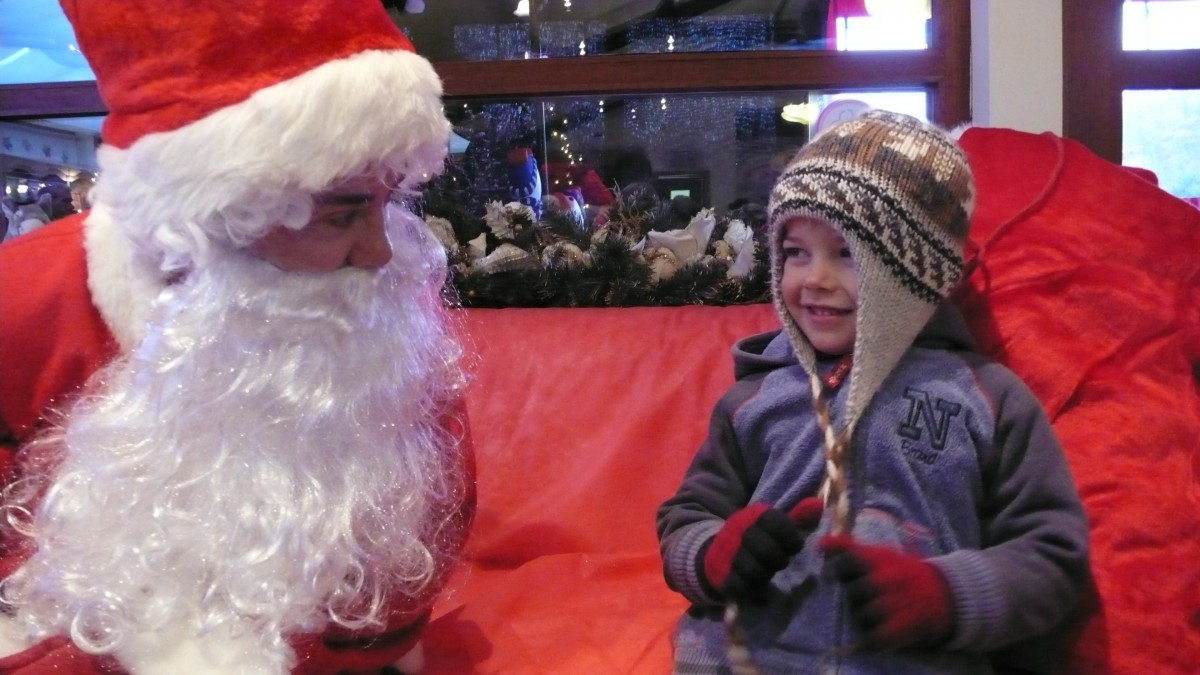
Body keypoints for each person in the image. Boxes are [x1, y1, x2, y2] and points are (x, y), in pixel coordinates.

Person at [0, 1, 474, 673]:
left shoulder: (376, 308)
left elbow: (419, 552)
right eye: (342, 215)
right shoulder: (25, 301)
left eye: (388, 202)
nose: (380, 253)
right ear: (219, 215)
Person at [656, 110, 1089, 674]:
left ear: (917, 272)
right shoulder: (752, 400)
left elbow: (1051, 556)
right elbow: (685, 519)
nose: (813, 279)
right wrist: (714, 556)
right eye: (795, 252)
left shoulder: (988, 400)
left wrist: (948, 595)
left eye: (846, 254)